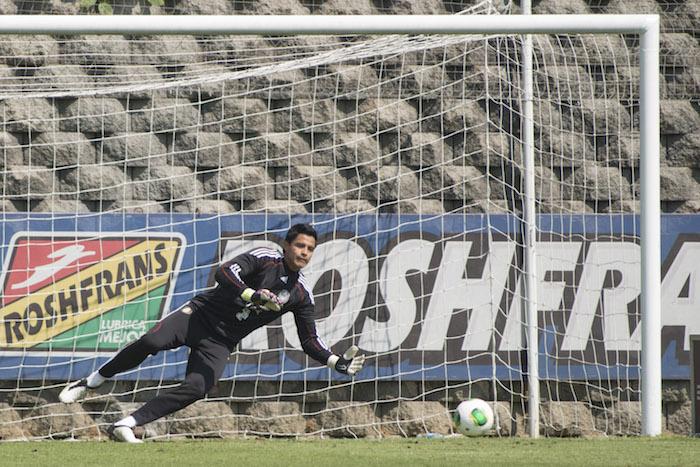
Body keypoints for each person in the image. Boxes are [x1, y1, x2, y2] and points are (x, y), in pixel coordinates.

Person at [59, 223, 365, 443]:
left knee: (198, 387)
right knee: (152, 341)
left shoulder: (300, 292)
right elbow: (224, 273)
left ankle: (126, 424)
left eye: (310, 249)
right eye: (300, 245)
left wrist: (335, 361)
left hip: (220, 341)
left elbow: (309, 340)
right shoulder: (264, 258)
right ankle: (94, 380)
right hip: (199, 316)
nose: (305, 252)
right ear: (286, 245)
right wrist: (250, 294)